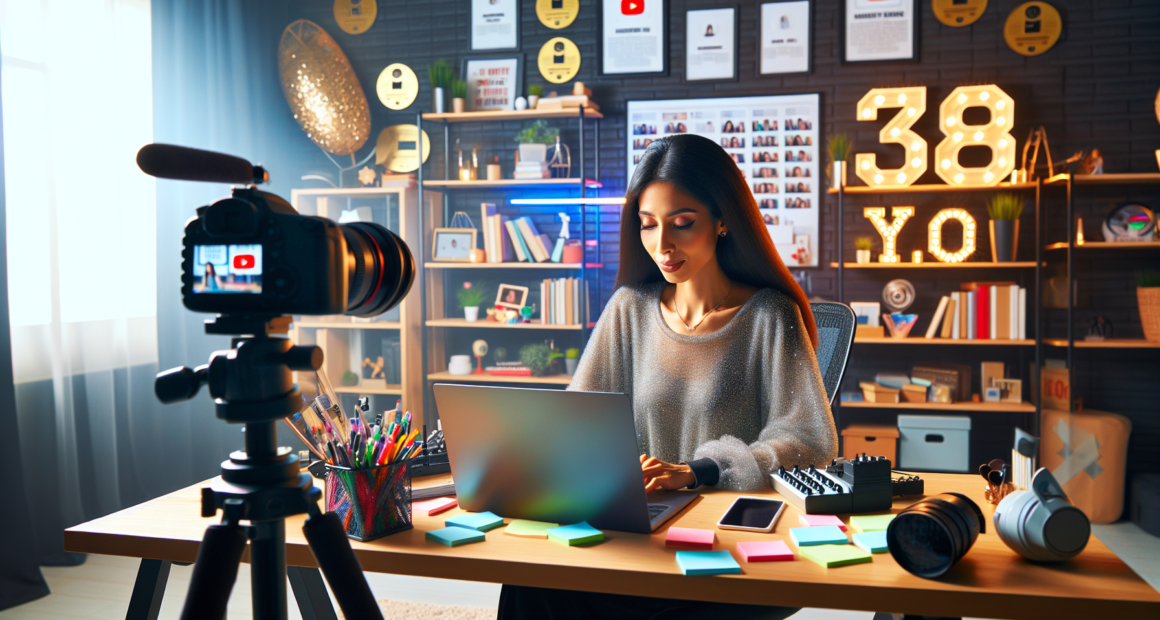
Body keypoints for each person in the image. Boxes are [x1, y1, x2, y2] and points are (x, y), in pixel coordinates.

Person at [497, 133, 833, 620]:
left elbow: (809, 440)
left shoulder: (769, 315)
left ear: (722, 220)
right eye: (648, 225)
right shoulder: (629, 309)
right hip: (642, 530)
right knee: (530, 580)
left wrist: (699, 470)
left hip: (729, 537)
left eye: (682, 224)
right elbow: (578, 419)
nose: (662, 245)